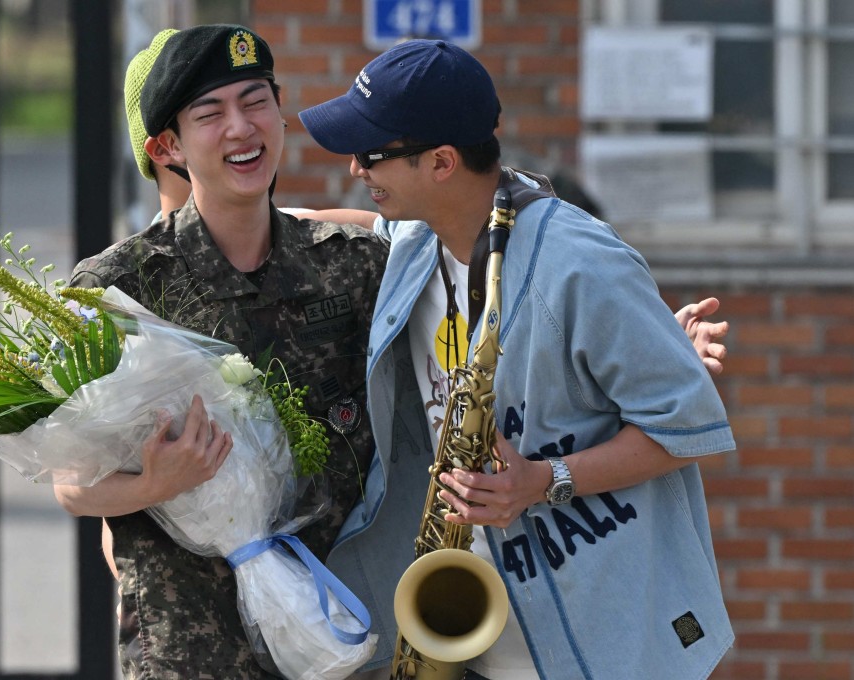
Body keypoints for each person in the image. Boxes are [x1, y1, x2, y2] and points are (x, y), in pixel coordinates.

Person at [299, 39, 735, 679]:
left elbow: (686, 431)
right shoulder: (418, 237)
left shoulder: (583, 264)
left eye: (373, 154)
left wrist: (543, 480)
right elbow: (338, 222)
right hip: (476, 646)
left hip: (601, 644)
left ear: (442, 162)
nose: (357, 168)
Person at [53, 24, 388, 678]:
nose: (242, 127)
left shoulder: (352, 270)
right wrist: (156, 483)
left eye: (256, 101)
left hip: (342, 636)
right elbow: (73, 482)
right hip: (189, 649)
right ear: (169, 147)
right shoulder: (119, 289)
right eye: (211, 113)